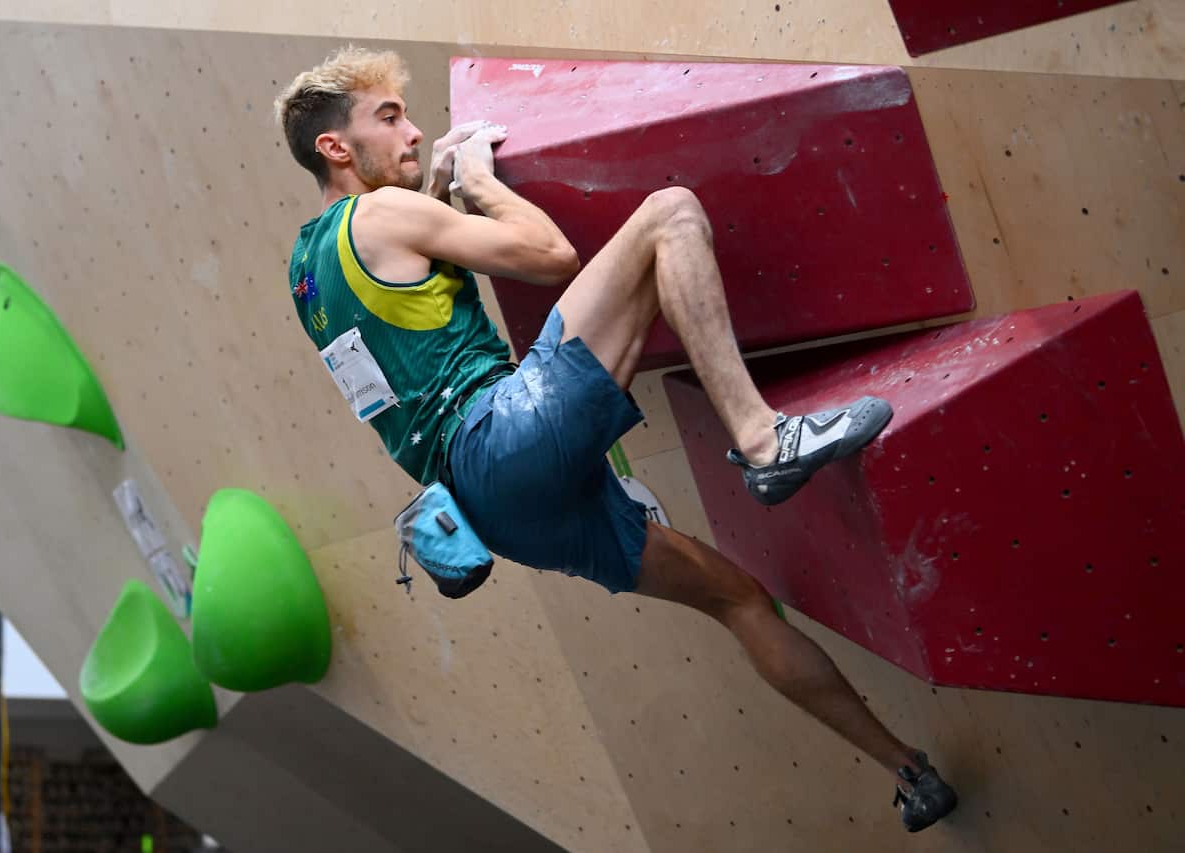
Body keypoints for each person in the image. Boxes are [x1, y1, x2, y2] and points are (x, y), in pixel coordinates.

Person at [275, 47, 958, 831]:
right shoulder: (385, 215)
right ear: (335, 146)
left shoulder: (305, 273)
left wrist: (435, 186)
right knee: (670, 213)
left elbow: (407, 307)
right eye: (389, 118)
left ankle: (910, 772)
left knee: (736, 598)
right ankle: (765, 442)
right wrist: (482, 183)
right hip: (507, 430)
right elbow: (549, 256)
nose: (413, 129)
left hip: (491, 511)